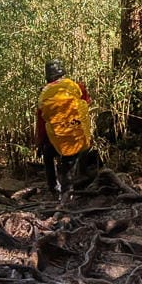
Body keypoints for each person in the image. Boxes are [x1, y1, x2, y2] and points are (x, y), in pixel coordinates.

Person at [35, 59, 95, 196]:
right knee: (73, 157)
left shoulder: (44, 94)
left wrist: (40, 141)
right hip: (75, 133)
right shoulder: (76, 86)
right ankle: (69, 190)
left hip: (56, 137)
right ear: (62, 72)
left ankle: (53, 187)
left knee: (48, 154)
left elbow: (41, 121)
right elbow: (86, 104)